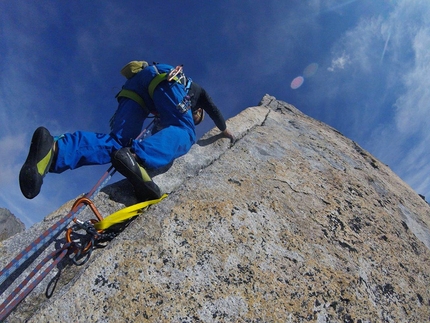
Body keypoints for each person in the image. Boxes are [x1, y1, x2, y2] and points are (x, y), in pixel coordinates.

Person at [19, 61, 234, 202]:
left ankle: (54, 149)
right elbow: (213, 108)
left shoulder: (168, 105)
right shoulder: (196, 94)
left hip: (137, 86)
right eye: (197, 117)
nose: (195, 119)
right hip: (166, 81)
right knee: (185, 132)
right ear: (198, 110)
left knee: (119, 142)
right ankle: (136, 158)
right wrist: (225, 130)